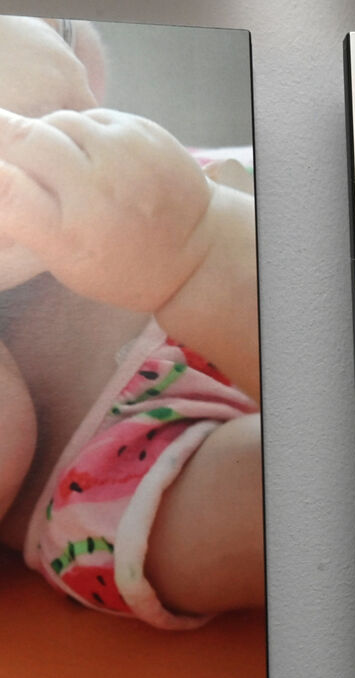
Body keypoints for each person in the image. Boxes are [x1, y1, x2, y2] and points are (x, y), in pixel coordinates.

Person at [0, 15, 263, 628]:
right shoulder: (115, 515)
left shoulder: (143, 173)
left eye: (60, 27)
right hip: (115, 471)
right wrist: (203, 255)